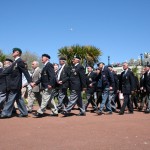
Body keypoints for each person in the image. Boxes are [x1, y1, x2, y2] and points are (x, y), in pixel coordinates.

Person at [0, 48, 32, 118]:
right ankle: (24, 112)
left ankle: (5, 113)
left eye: (14, 52)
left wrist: (30, 82)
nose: (12, 53)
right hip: (15, 84)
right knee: (19, 99)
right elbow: (7, 70)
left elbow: (25, 71)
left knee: (10, 99)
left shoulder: (20, 61)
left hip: (15, 84)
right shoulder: (15, 62)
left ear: (17, 53)